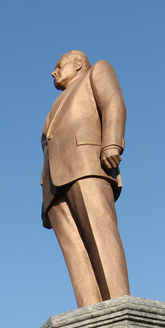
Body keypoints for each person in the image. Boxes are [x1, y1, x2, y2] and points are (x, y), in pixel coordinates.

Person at [41, 50, 129, 308]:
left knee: (102, 238)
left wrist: (112, 142)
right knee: (75, 254)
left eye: (59, 65)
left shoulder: (97, 72)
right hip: (55, 186)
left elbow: (114, 102)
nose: (53, 72)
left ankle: (119, 309)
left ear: (77, 63)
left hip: (87, 165)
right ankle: (91, 312)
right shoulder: (54, 107)